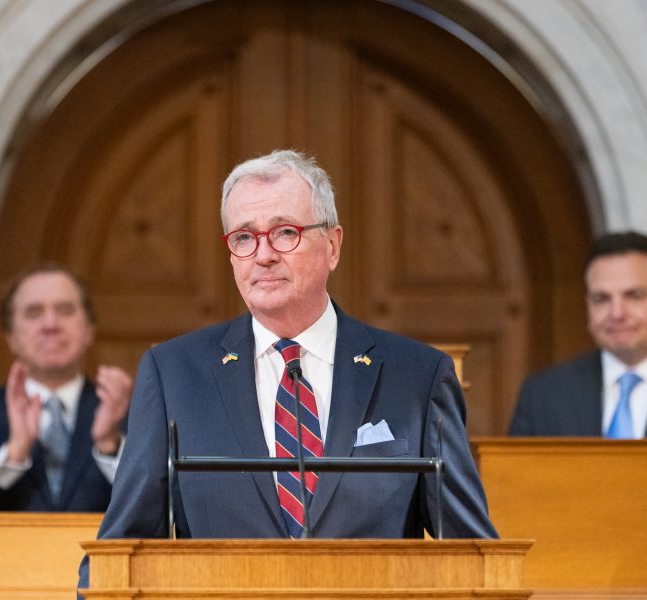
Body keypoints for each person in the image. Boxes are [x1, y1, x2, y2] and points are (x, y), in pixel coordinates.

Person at [78, 149, 496, 590]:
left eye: (284, 233)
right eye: (243, 237)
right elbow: (119, 557)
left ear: (332, 245)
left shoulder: (417, 375)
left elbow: (474, 558)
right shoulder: (174, 374)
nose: (263, 255)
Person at [0, 265, 133, 511]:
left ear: (89, 330)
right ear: (10, 337)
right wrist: (12, 456)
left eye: (65, 310)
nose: (50, 324)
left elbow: (166, 514)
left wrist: (110, 446)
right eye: (34, 313)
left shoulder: (129, 413)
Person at [510, 231, 647, 437]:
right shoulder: (544, 395)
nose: (617, 313)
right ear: (588, 306)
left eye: (634, 296)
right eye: (601, 299)